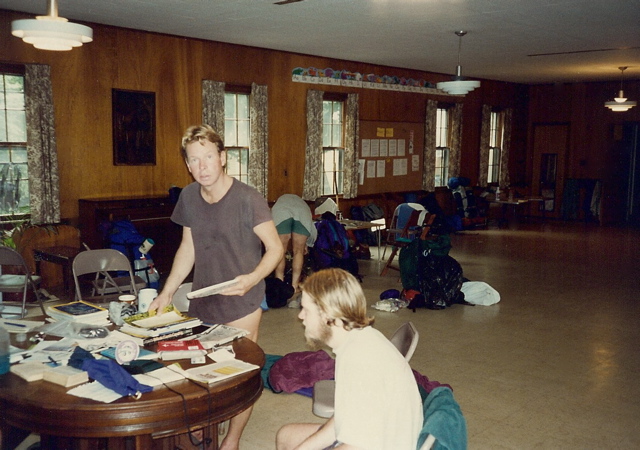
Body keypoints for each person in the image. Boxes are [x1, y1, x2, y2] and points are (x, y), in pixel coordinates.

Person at [149, 124, 283, 450]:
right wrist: (166, 292)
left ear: (223, 157)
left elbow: (276, 248)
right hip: (204, 299)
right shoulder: (189, 197)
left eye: (208, 157)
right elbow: (188, 248)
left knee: (240, 376)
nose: (202, 166)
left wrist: (251, 279)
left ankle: (232, 440)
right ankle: (205, 424)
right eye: (194, 160)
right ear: (187, 165)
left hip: (243, 300)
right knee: (203, 368)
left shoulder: (248, 199)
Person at [276, 268, 423, 450]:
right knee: (287, 437)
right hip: (378, 437)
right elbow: (344, 418)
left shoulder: (358, 361)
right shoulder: (357, 340)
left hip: (382, 444)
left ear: (329, 316)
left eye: (306, 310)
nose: (300, 316)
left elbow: (357, 446)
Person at [271, 194, 317, 293]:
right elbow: (313, 231)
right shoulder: (302, 203)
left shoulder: (280, 202)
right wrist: (306, 244)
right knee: (298, 252)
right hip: (302, 212)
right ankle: (294, 286)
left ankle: (280, 285)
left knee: (280, 251)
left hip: (281, 212)